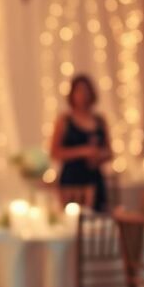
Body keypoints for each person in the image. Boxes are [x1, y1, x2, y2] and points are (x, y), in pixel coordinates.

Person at [50, 74, 113, 211]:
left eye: (86, 90)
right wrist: (83, 151)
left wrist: (98, 155)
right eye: (79, 90)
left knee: (96, 214)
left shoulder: (99, 121)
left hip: (93, 178)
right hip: (72, 180)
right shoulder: (65, 121)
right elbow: (54, 152)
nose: (83, 95)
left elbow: (109, 152)